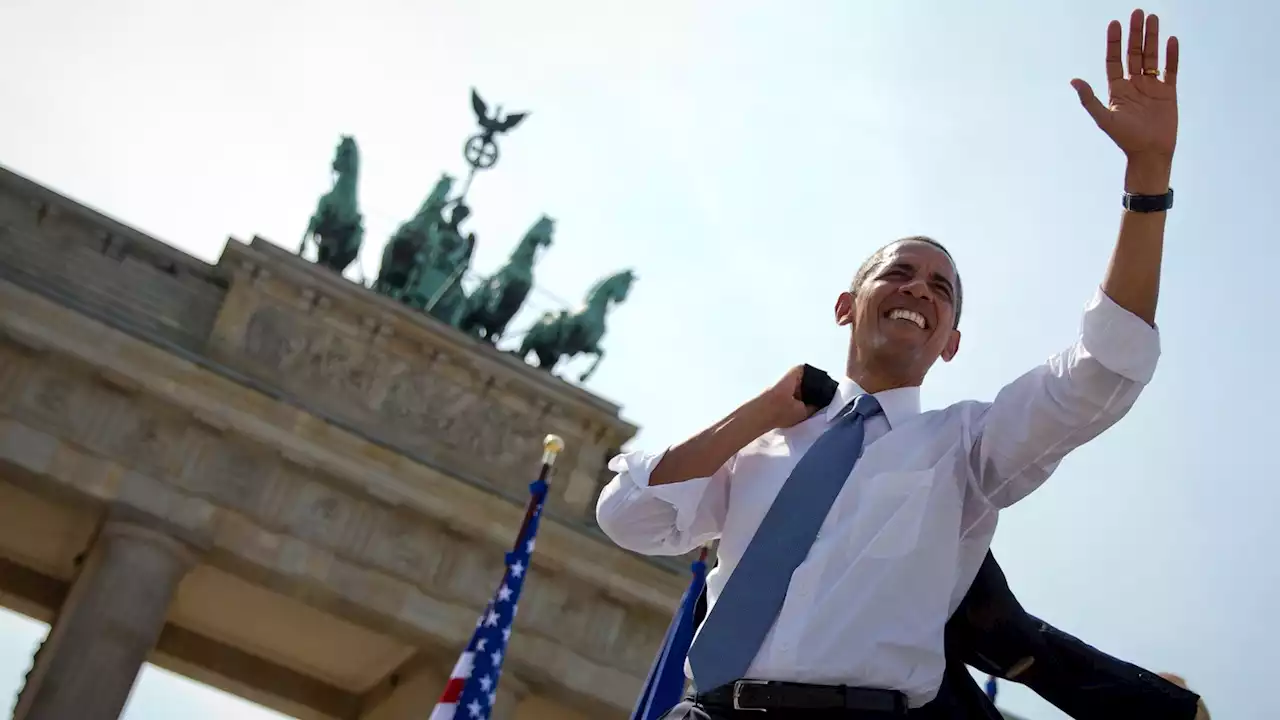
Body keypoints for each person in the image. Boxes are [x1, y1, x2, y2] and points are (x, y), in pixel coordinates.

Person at [596, 8, 1183, 719]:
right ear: (847, 305)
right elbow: (632, 517)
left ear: (951, 342)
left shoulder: (965, 448)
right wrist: (760, 414)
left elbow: (1103, 369)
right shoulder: (762, 445)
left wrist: (1146, 179)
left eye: (941, 290)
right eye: (898, 274)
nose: (917, 291)